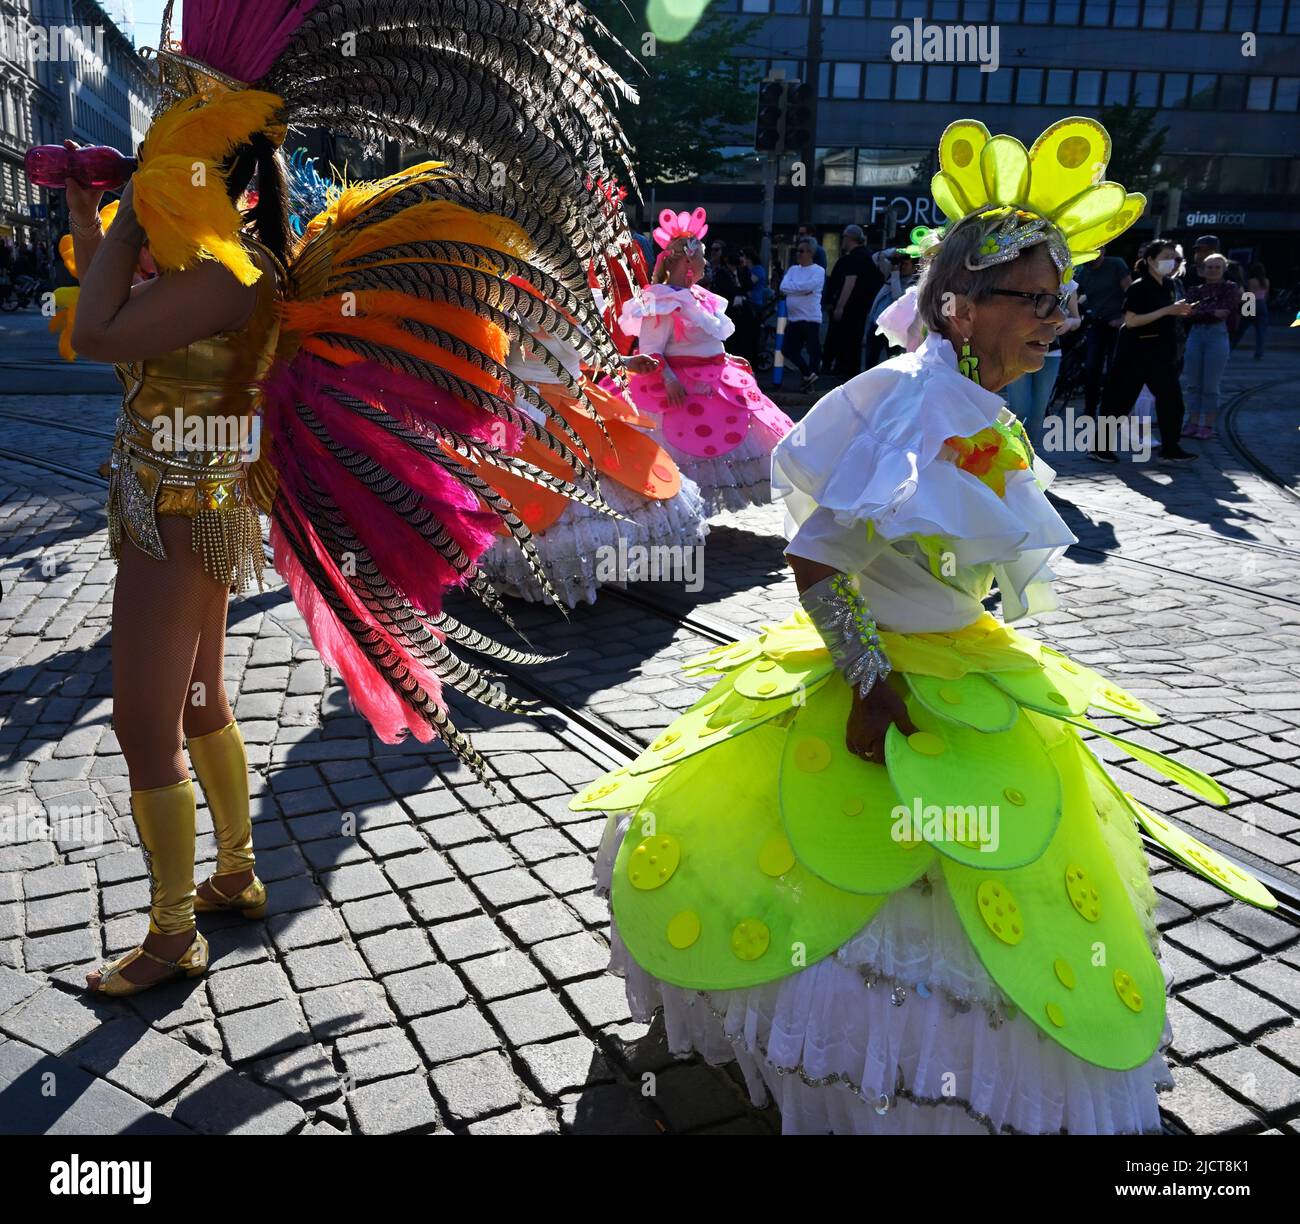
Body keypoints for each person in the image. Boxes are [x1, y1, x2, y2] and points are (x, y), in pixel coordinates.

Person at [572, 115, 1277, 1135]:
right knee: (876, 883)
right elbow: (817, 556)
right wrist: (868, 676)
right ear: (957, 306)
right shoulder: (919, 405)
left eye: (1059, 299)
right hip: (895, 684)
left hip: (955, 660)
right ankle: (871, 1075)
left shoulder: (965, 398)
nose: (1051, 320)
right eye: (1027, 300)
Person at [62, 0, 639, 996]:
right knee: (201, 699)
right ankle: (234, 873)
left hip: (177, 511)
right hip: (186, 500)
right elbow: (106, 299)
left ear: (195, 179)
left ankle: (169, 936)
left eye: (163, 162)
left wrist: (127, 211)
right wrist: (97, 206)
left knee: (140, 723)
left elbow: (98, 334)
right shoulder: (215, 266)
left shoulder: (224, 276)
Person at [617, 208, 794, 513]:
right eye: (700, 257)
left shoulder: (700, 297)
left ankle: (692, 511)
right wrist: (668, 379)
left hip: (715, 380)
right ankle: (678, 510)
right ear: (687, 261)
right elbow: (651, 349)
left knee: (717, 448)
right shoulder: (662, 300)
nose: (706, 263)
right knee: (682, 450)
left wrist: (727, 357)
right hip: (680, 387)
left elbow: (708, 338)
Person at [1094, 239, 1197, 465]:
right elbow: (1131, 321)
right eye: (1165, 257)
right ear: (1150, 260)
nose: (1171, 262)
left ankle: (1170, 447)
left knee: (1172, 401)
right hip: (1135, 352)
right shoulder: (1138, 286)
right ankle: (1101, 448)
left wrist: (1178, 312)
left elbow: (1165, 315)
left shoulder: (1169, 285)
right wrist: (1168, 310)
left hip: (1162, 353)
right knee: (1119, 401)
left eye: (1174, 257)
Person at [1005, 285, 1081, 453]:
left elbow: (1077, 319)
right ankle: (1014, 453)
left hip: (1050, 352)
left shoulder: (1068, 282)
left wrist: (1068, 322)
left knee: (1038, 412)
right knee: (1020, 408)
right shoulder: (1023, 277)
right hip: (1019, 350)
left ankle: (1028, 456)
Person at [1181, 253, 1239, 441]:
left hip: (1217, 336)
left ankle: (1207, 425)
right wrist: (1212, 311)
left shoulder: (1230, 288)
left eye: (1217, 267)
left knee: (1210, 385)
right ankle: (1193, 422)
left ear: (1223, 270)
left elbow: (1225, 311)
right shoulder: (1194, 289)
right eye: (1210, 267)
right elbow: (1188, 313)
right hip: (1196, 335)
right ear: (1202, 270)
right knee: (1193, 384)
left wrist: (1202, 312)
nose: (1213, 270)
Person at [1074, 244, 1131, 421]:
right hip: (1097, 324)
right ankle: (1090, 408)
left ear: (1104, 251)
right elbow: (1079, 295)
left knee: (1115, 367)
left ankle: (1112, 409)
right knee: (1092, 366)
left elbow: (1130, 291)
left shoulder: (1116, 264)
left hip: (1117, 324)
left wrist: (1123, 318)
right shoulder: (1084, 272)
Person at [823, 224, 883, 380]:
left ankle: (840, 370)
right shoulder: (869, 256)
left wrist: (839, 307)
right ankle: (851, 371)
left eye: (844, 237)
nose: (842, 240)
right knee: (855, 340)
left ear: (849, 238)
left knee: (842, 338)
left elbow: (850, 282)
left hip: (850, 306)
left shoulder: (853, 258)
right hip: (864, 305)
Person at [866, 237, 922, 368]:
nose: (901, 267)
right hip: (877, 323)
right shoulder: (892, 274)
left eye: (906, 264)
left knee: (893, 359)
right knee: (870, 359)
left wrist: (895, 274)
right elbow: (876, 257)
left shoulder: (914, 283)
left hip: (895, 328)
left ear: (915, 267)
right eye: (901, 263)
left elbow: (898, 296)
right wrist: (895, 252)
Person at [780, 236, 826, 392]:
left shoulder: (818, 271)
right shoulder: (793, 269)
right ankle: (808, 374)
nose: (798, 254)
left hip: (810, 318)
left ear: (810, 252)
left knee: (813, 350)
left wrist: (796, 289)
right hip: (794, 318)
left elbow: (809, 287)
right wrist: (801, 290)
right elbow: (783, 287)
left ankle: (809, 382)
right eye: (797, 251)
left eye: (801, 251)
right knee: (788, 349)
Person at [1238, 262, 1270, 360]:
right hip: (1262, 305)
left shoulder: (1251, 281)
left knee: (1240, 329)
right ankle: (1259, 354)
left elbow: (1250, 294)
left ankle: (1230, 349)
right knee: (1261, 332)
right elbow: (1266, 296)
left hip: (1252, 303)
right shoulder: (1266, 281)